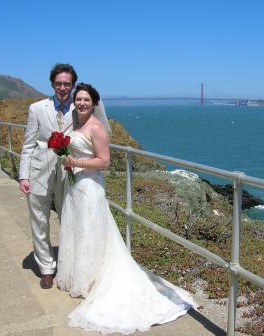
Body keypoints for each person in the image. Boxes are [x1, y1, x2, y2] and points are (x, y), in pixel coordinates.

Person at [56, 83, 197, 334]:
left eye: (86, 99)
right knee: (78, 231)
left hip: (90, 188)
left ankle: (93, 280)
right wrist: (66, 160)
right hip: (74, 187)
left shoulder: (97, 127)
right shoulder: (74, 126)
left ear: (95, 102)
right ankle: (80, 277)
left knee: (92, 231)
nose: (82, 103)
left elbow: (104, 161)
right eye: (78, 99)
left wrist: (74, 161)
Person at [19, 63, 78, 289]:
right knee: (39, 221)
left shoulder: (80, 106)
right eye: (59, 83)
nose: (63, 88)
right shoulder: (37, 108)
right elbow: (28, 144)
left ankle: (68, 262)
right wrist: (23, 176)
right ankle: (46, 267)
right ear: (53, 84)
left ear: (72, 85)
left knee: (69, 219)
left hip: (68, 172)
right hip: (38, 171)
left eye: (67, 84)